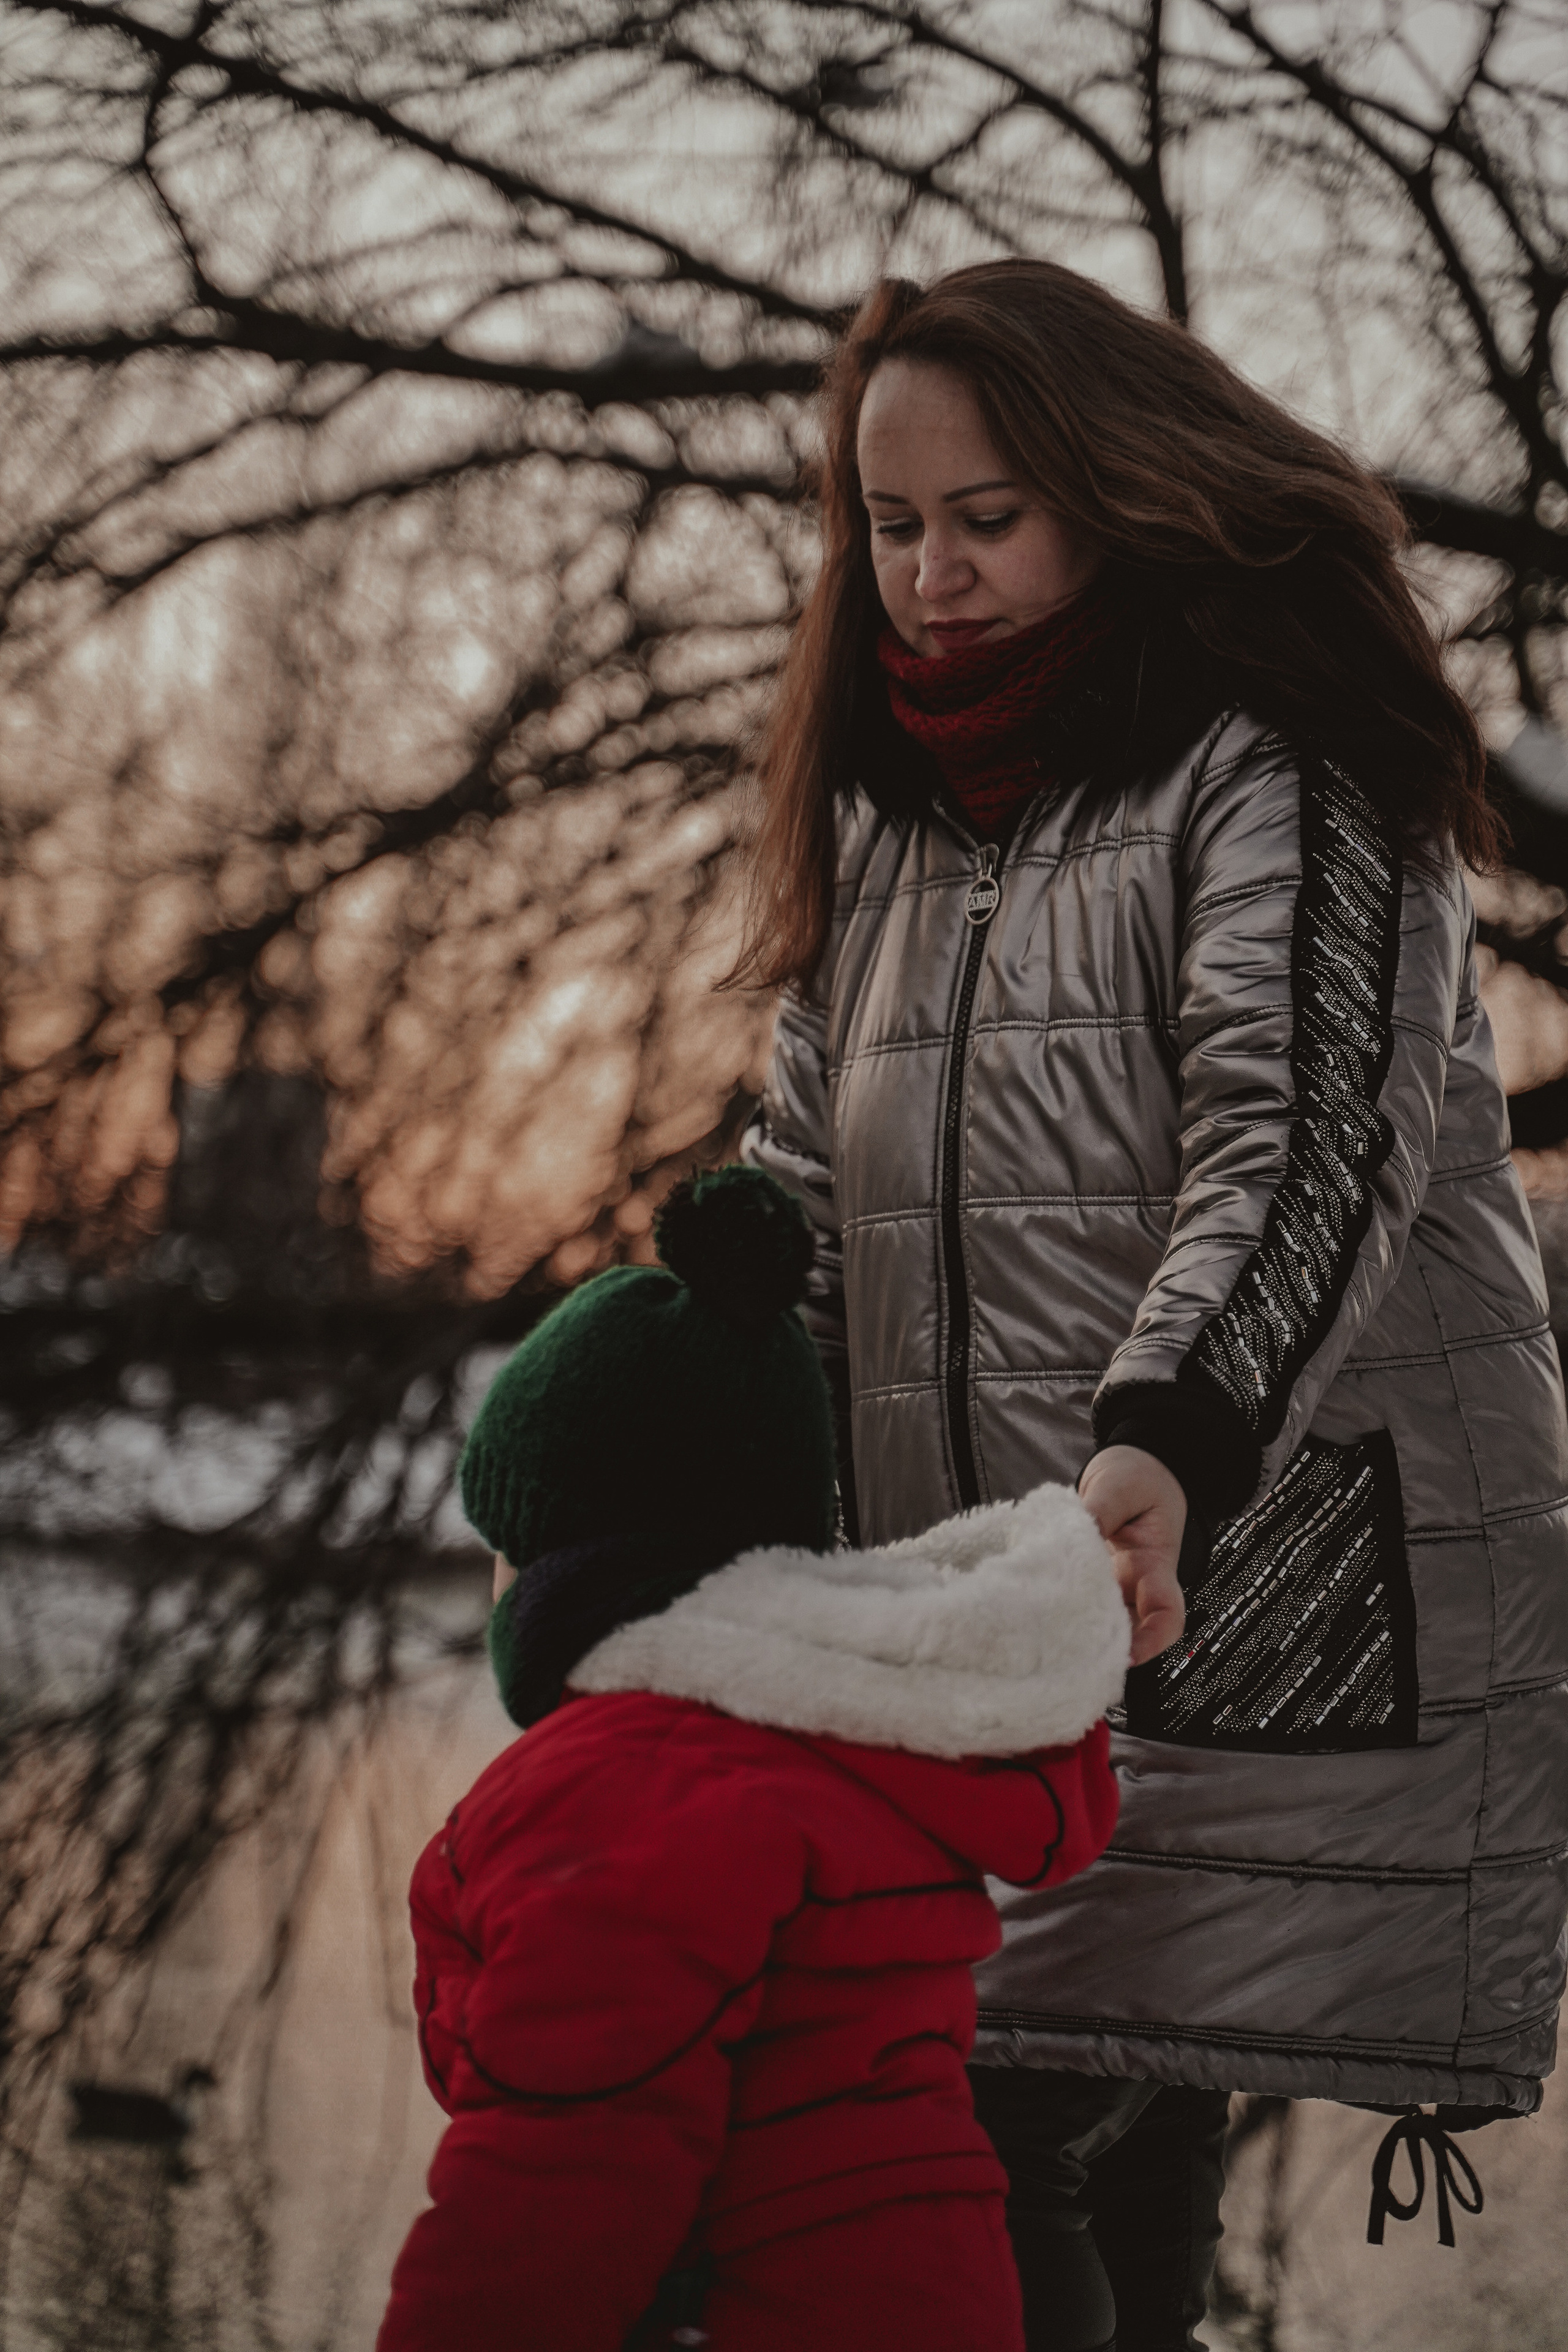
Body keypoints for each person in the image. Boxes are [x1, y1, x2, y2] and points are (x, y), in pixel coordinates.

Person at [741, 259, 1568, 2352]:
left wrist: (1165, 1445)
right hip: (984, 1609)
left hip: (1238, 1563)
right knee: (1056, 2120)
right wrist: (687, 1398)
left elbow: (1299, 1149)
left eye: (988, 518)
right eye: (891, 523)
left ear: (1117, 489)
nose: (931, 575)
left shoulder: (1281, 758)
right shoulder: (891, 811)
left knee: (960, 2122)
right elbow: (802, 1198)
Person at [375, 1164, 1126, 2352]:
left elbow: (567, 2163)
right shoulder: (844, 1746)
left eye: (507, 1543)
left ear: (581, 1562)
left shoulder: (630, 1786)